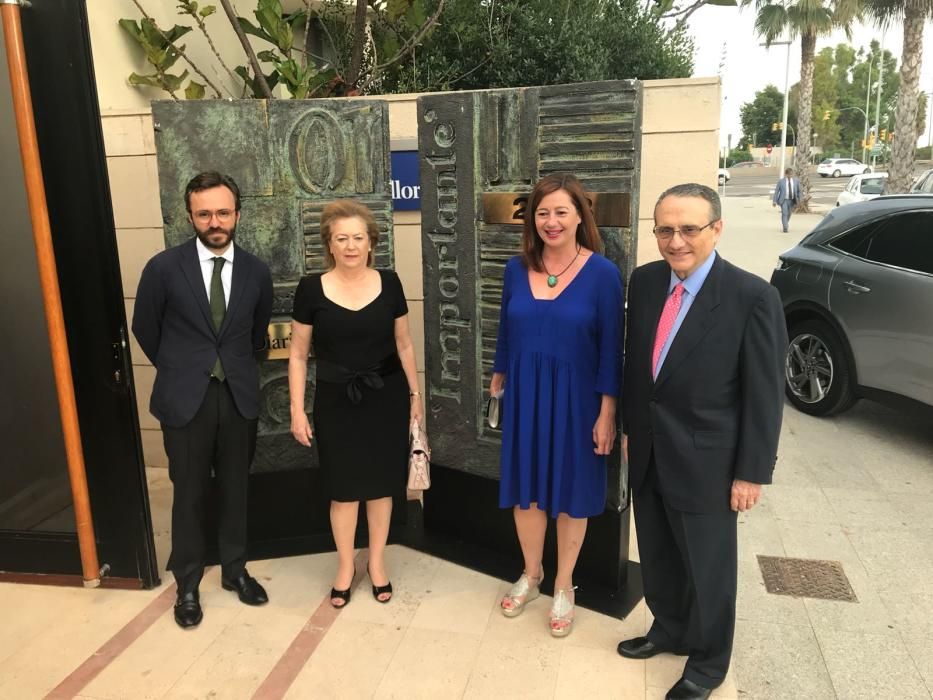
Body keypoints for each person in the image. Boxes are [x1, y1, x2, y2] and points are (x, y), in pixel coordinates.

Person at [617, 183, 786, 700]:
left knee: (709, 572)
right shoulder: (645, 283)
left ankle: (708, 664)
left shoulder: (752, 297)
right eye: (664, 229)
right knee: (661, 557)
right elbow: (637, 368)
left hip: (709, 463)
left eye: (689, 228)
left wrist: (751, 472)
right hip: (649, 451)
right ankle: (670, 628)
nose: (676, 240)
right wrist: (628, 428)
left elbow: (764, 394)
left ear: (716, 228)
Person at [132, 171, 274, 629]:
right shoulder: (162, 268)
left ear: (238, 213)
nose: (215, 221)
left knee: (236, 489)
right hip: (184, 399)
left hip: (238, 397)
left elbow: (256, 333)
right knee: (188, 493)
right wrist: (182, 366)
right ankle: (188, 584)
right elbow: (146, 329)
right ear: (190, 216)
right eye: (204, 213)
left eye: (223, 212)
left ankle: (235, 571)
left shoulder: (256, 270)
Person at [490, 173, 623, 638]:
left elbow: (612, 349)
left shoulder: (603, 274)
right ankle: (532, 572)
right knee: (526, 489)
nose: (551, 221)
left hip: (578, 401)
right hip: (525, 395)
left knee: (571, 492)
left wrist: (607, 412)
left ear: (579, 216)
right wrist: (498, 377)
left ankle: (564, 582)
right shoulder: (514, 268)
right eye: (542, 212)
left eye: (561, 211)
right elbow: (506, 331)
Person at [288, 199, 422, 608]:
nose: (350, 246)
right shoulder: (311, 288)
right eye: (341, 238)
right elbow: (297, 353)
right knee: (343, 492)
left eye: (357, 238)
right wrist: (297, 409)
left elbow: (404, 343)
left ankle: (377, 563)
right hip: (335, 402)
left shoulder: (391, 282)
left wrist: (415, 398)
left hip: (387, 398)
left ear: (370, 243)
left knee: (381, 488)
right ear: (329, 244)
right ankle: (346, 566)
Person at [772, 167, 800, 232]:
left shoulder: (796, 181)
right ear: (786, 174)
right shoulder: (781, 181)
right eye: (789, 174)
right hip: (783, 200)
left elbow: (799, 191)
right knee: (785, 213)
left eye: (791, 174)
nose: (790, 176)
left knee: (789, 213)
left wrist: (799, 200)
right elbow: (776, 191)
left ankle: (785, 223)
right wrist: (774, 201)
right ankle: (785, 227)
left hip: (792, 200)